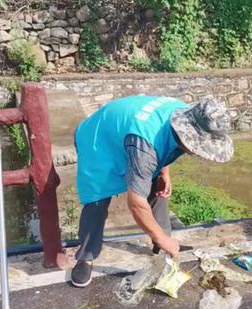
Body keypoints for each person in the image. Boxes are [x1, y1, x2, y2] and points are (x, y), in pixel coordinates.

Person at [71, 95, 234, 288]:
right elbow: (136, 204)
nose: (198, 152)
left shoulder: (185, 113)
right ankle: (86, 256)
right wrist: (162, 237)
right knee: (97, 197)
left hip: (131, 133)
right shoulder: (145, 148)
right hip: (99, 140)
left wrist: (164, 171)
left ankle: (162, 246)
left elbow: (164, 141)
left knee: (158, 186)